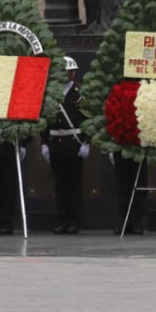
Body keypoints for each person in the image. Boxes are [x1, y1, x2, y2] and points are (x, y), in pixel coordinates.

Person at [40, 56, 90, 234]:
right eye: (66, 71)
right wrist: (44, 143)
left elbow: (88, 119)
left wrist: (86, 143)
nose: (69, 74)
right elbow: (44, 120)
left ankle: (75, 221)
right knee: (59, 185)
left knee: (74, 185)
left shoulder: (80, 93)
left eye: (71, 71)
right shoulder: (51, 93)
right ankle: (62, 220)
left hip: (74, 144)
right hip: (56, 144)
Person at [112, 153, 148, 235]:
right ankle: (124, 220)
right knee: (121, 184)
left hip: (139, 148)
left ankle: (137, 222)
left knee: (139, 183)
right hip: (120, 149)